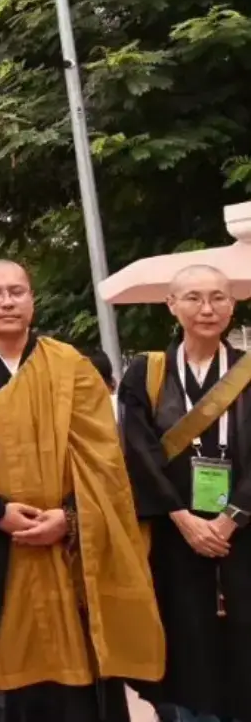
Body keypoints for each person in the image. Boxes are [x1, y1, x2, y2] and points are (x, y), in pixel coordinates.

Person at [0, 259, 163, 722]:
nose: (8, 301)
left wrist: (69, 518)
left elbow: (106, 462)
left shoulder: (70, 366)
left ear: (33, 300)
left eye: (17, 291)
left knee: (79, 676)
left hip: (71, 551)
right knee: (8, 674)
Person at [119, 264, 248, 722]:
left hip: (242, 534)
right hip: (174, 539)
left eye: (218, 297)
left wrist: (230, 517)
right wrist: (181, 516)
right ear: (171, 305)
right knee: (182, 650)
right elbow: (136, 452)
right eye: (193, 297)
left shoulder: (247, 370)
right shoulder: (145, 374)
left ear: (233, 307)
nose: (207, 308)